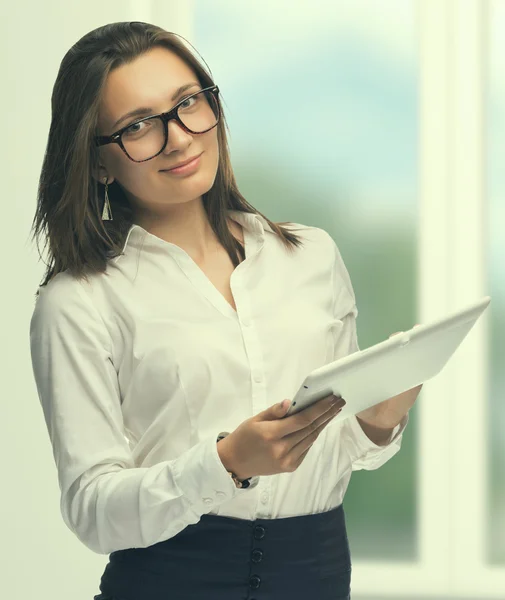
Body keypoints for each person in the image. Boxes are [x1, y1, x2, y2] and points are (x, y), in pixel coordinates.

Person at [28, 21, 409, 600]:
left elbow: (344, 451)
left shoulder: (311, 257)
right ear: (99, 162)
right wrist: (225, 463)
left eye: (187, 104)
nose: (178, 138)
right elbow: (92, 509)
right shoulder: (79, 301)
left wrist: (377, 420)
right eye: (138, 126)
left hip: (319, 577)